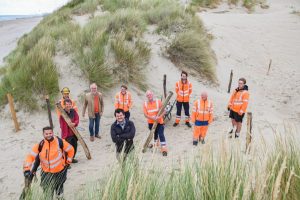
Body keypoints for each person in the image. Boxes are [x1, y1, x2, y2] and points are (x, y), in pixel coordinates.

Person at [23, 126, 74, 200]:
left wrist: (68, 162)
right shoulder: (40, 145)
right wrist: (27, 169)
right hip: (46, 172)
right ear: (43, 134)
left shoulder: (60, 142)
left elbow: (71, 150)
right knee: (47, 191)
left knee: (59, 189)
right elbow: (30, 156)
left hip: (60, 171)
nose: (48, 135)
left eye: (50, 133)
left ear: (52, 133)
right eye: (46, 134)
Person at [143, 90, 168, 156]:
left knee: (161, 134)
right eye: (148, 95)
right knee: (155, 134)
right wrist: (152, 118)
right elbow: (145, 115)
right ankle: (155, 145)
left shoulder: (158, 102)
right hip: (151, 123)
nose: (149, 96)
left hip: (159, 122)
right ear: (146, 96)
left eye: (150, 94)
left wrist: (159, 117)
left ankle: (164, 149)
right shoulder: (145, 104)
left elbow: (164, 111)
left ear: (152, 94)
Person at [59, 99, 79, 163]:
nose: (68, 105)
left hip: (74, 133)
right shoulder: (62, 114)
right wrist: (68, 125)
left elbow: (77, 118)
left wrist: (75, 123)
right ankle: (65, 161)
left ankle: (72, 158)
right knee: (67, 148)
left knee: (74, 147)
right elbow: (62, 125)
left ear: (71, 104)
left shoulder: (73, 111)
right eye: (67, 104)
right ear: (64, 105)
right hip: (67, 134)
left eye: (69, 104)